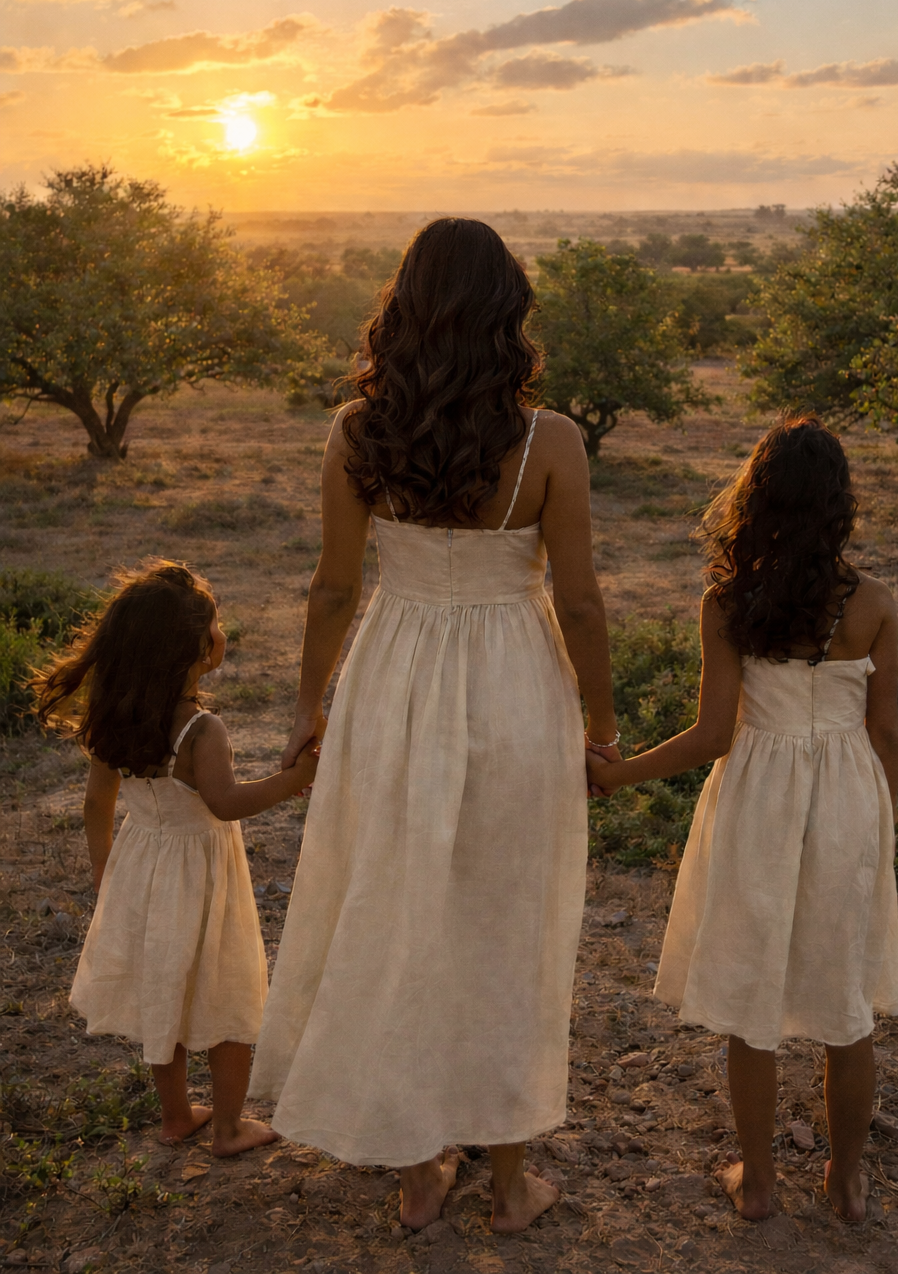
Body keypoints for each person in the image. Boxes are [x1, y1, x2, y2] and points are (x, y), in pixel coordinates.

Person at [249, 218, 620, 1234]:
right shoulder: (550, 441)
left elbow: (332, 588)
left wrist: (306, 705)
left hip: (395, 677)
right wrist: (603, 721)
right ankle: (508, 1185)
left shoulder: (357, 431)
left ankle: (419, 1167)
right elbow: (581, 602)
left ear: (402, 307)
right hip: (511, 681)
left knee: (402, 908)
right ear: (510, 312)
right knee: (505, 923)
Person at [586, 417, 898, 1223]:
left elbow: (713, 733)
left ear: (754, 500)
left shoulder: (729, 601)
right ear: (839, 504)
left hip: (758, 794)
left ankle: (758, 1181)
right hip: (846, 797)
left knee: (752, 993)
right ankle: (847, 1181)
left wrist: (619, 775)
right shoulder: (870, 604)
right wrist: (881, 817)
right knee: (845, 1002)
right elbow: (887, 730)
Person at [36, 560, 320, 1157]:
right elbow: (224, 803)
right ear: (196, 648)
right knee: (226, 992)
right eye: (216, 623)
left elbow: (95, 804)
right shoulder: (200, 729)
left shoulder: (115, 715)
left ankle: (174, 1116)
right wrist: (296, 777)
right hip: (202, 875)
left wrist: (105, 873)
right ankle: (227, 1126)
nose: (222, 631)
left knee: (161, 990)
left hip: (139, 868)